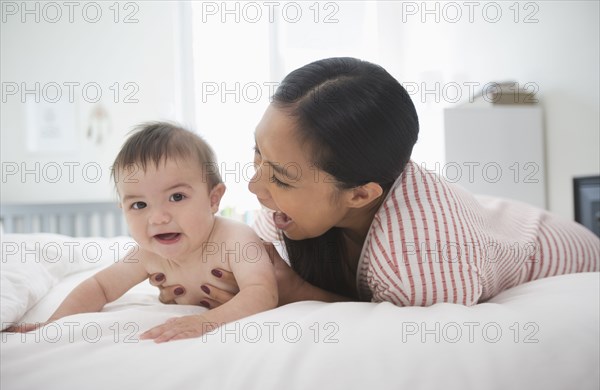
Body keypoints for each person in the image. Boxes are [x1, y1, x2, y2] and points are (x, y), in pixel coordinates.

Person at [154, 57, 600, 308]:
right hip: (490, 214)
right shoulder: (286, 216)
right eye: (258, 155)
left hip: (563, 245)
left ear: (361, 194)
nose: (254, 187)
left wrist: (299, 292)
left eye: (283, 178)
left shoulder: (423, 260)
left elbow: (415, 336)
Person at [10, 122, 277, 342]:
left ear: (213, 199)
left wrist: (205, 322)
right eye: (139, 204)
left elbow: (262, 291)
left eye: (177, 197)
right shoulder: (147, 254)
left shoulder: (235, 239)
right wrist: (54, 324)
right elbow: (99, 286)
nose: (158, 218)